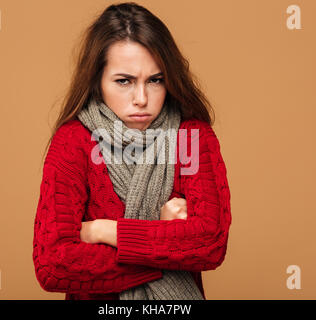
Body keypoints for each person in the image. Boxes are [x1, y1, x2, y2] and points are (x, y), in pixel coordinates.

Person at [32, 2, 232, 300]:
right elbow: (53, 264)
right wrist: (164, 243)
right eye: (124, 81)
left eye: (155, 80)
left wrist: (102, 231)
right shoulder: (73, 141)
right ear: (97, 80)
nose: (142, 98)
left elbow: (210, 243)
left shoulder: (192, 137)